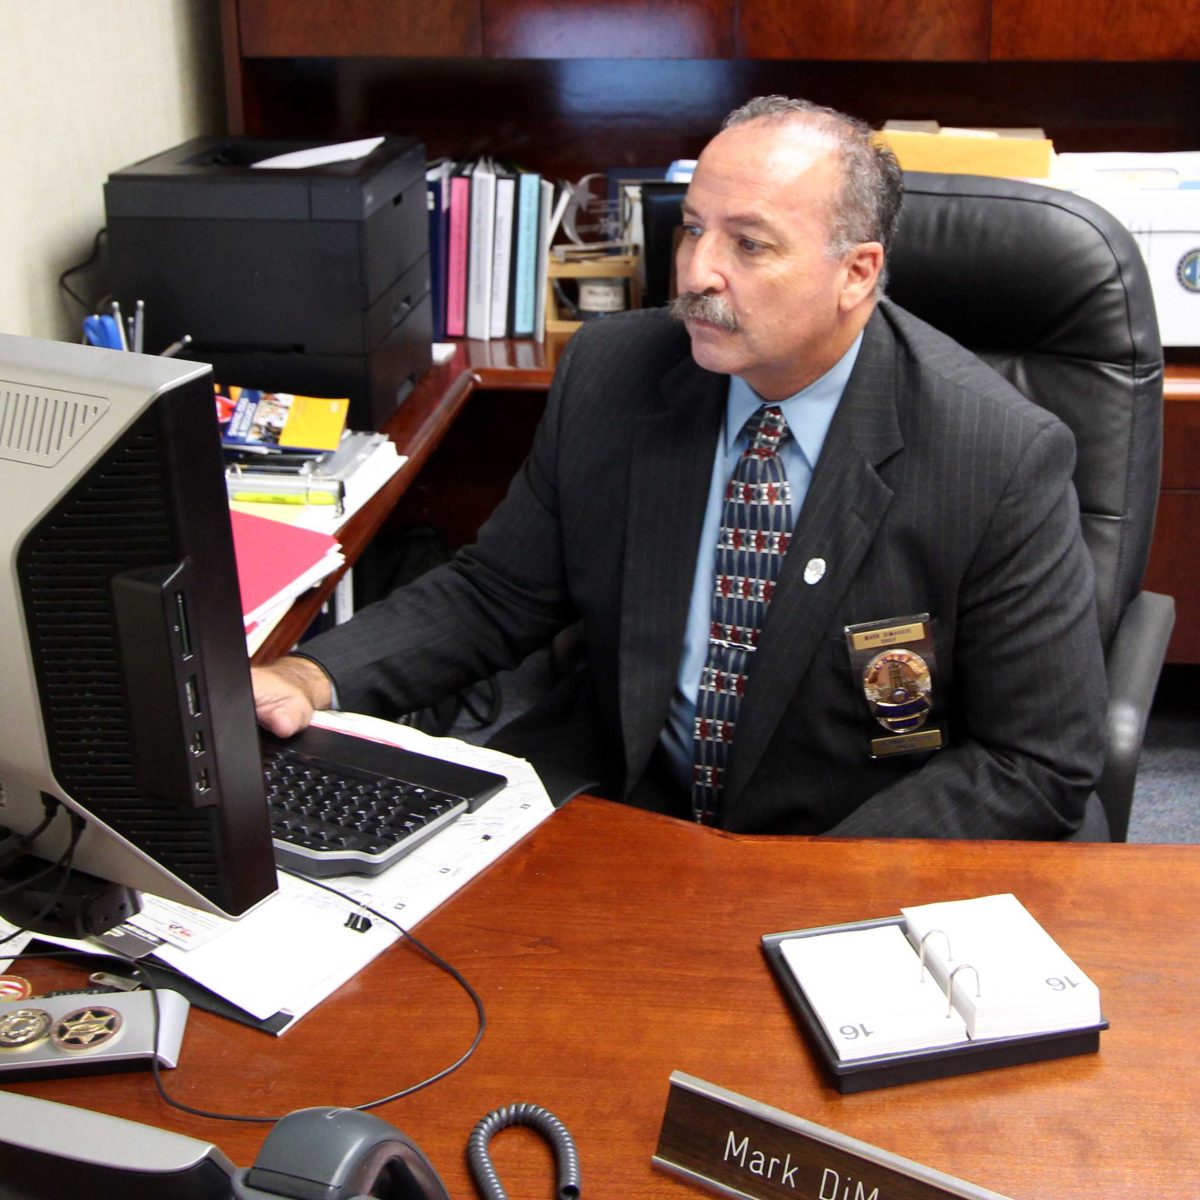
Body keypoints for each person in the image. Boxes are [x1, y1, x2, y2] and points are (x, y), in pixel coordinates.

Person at [253, 95, 1106, 838]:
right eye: (694, 227)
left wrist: (807, 886)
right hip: (626, 804)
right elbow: (499, 592)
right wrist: (314, 673)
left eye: (751, 245)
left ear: (857, 273)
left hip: (843, 838)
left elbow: (1033, 761)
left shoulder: (995, 453)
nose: (698, 273)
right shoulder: (614, 372)